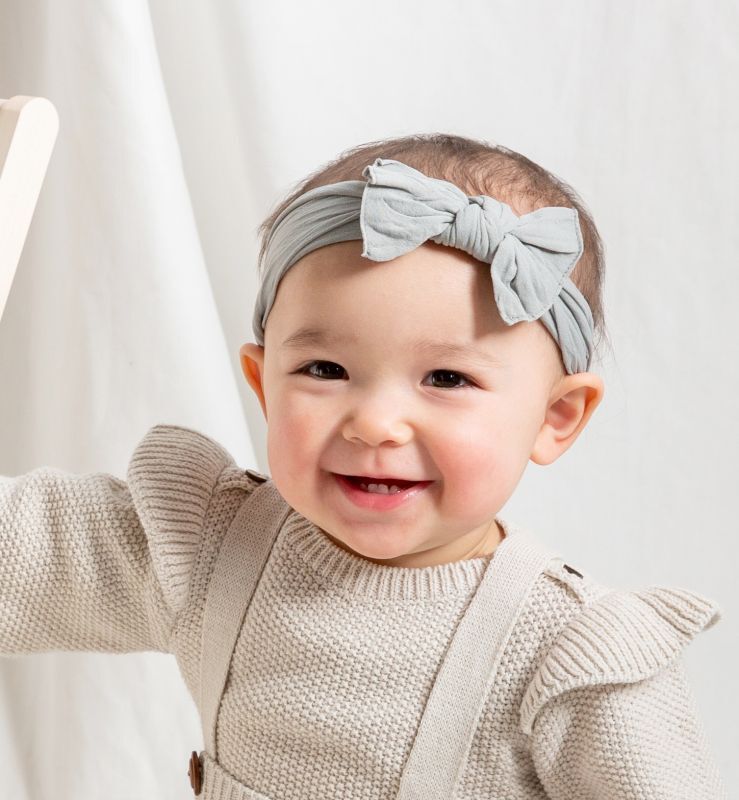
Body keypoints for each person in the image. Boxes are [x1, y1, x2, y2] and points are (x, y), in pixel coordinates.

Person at [0, 133, 728, 799]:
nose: (375, 422)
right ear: (263, 385)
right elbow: (28, 553)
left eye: (446, 379)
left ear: (553, 416)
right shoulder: (211, 550)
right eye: (324, 368)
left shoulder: (570, 659)